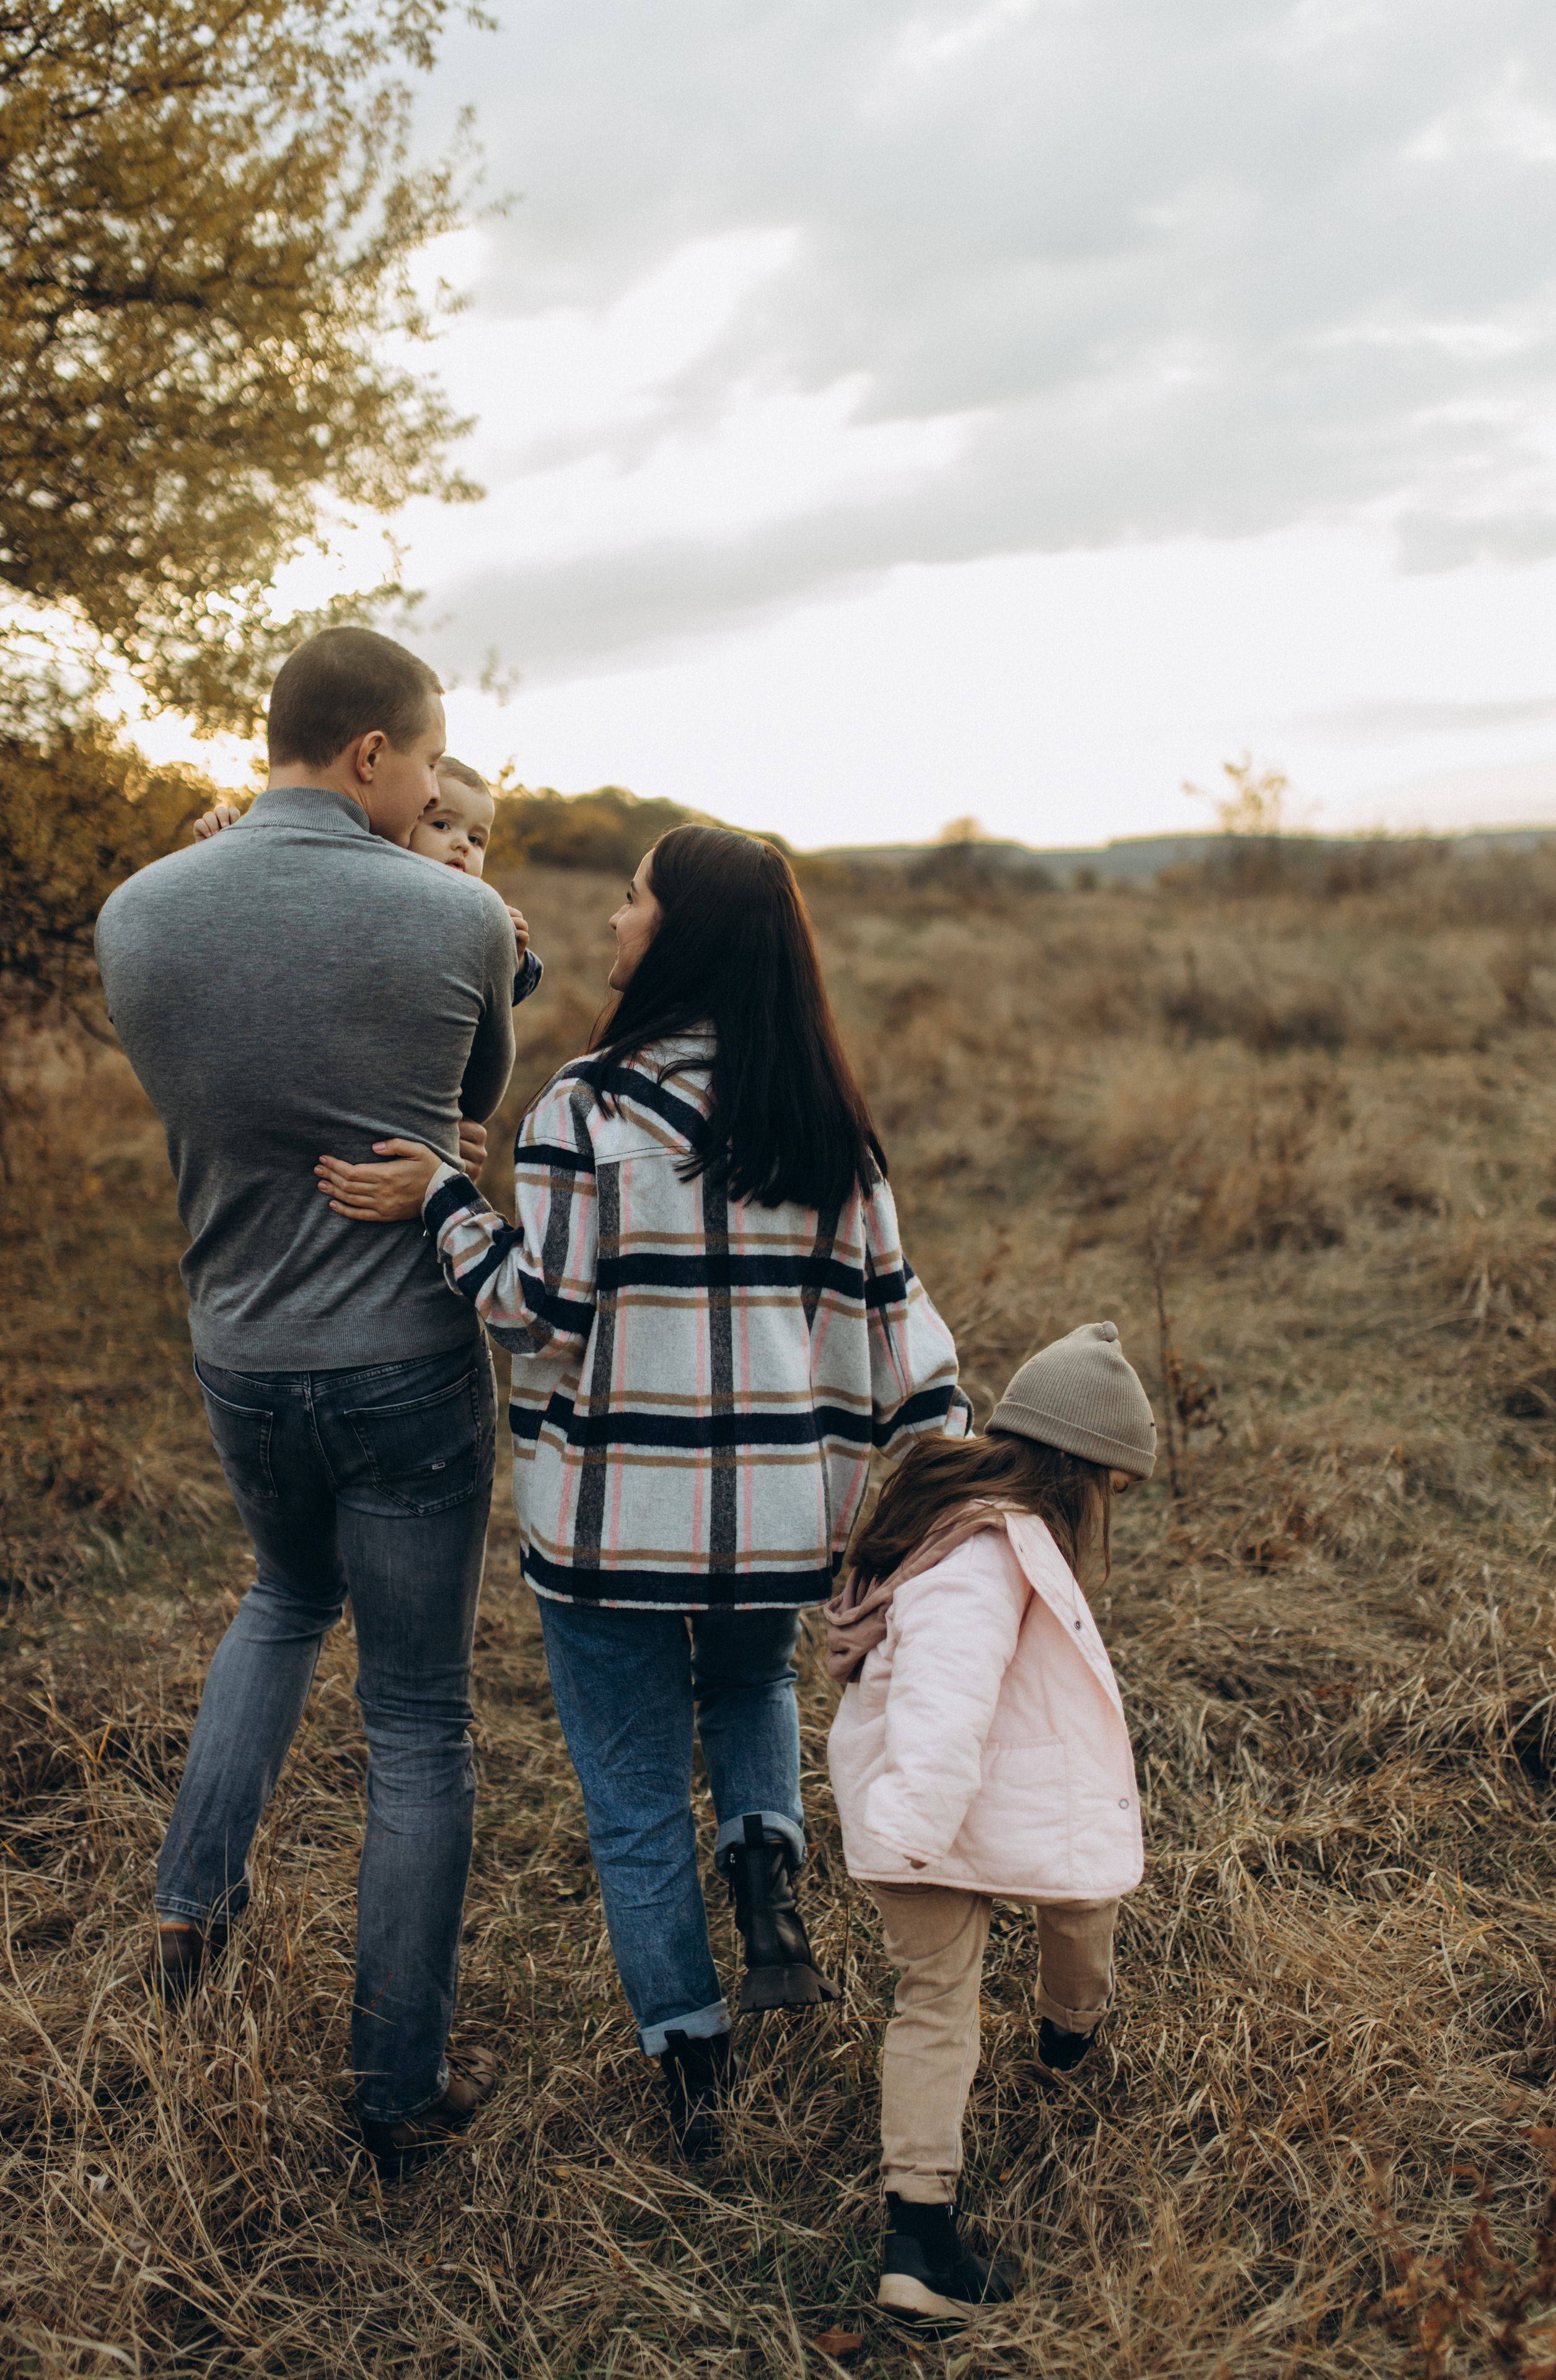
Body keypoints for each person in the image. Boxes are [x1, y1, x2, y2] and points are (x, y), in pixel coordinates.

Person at [313, 824, 970, 2157]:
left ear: (676, 936)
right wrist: (937, 1468)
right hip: (777, 1523)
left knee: (627, 1805)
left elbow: (534, 1319)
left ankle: (692, 2074)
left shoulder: (585, 1109)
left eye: (631, 902)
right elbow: (887, 1320)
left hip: (612, 1528)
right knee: (747, 1682)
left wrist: (448, 1200)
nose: (613, 923)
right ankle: (765, 1860)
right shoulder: (823, 1117)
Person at [94, 626, 518, 2177]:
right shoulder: (458, 914)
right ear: (370, 756)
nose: (426, 792)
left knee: (280, 1600)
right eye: (422, 763)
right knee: (417, 1718)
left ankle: (186, 1900)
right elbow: (477, 1110)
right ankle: (395, 2083)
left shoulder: (134, 914)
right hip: (402, 1355)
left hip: (240, 1355)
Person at [824, 1323, 1154, 2330]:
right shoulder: (983, 1554)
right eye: (1114, 1489)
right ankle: (918, 2242)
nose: (1112, 1511)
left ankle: (1069, 2022)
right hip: (928, 1808)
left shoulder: (985, 1526)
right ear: (1078, 1471)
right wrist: (918, 1826)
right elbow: (945, 1697)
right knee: (941, 1999)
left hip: (961, 1795)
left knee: (1076, 1890)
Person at [195, 753, 543, 1006]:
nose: (462, 845)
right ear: (407, 823)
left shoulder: (476, 911)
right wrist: (226, 850)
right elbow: (276, 908)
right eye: (441, 825)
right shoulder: (361, 880)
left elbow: (490, 1003)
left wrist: (510, 961)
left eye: (477, 840)